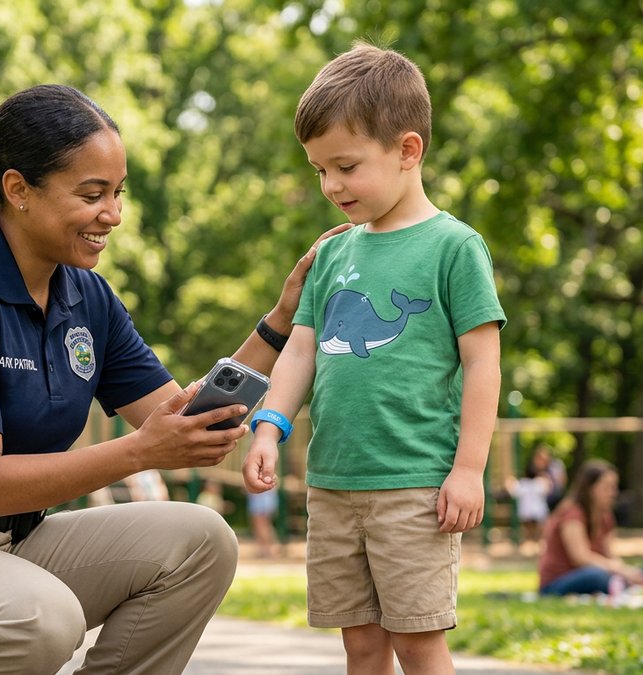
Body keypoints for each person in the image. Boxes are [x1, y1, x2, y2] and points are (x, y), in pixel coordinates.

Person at [0, 83, 349, 674]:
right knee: (42, 619)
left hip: (9, 547)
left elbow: (179, 417)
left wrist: (280, 319)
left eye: (117, 193)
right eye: (92, 194)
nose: (113, 215)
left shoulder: (86, 297)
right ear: (18, 189)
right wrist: (141, 453)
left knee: (202, 540)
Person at [242, 42, 506, 674]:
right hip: (334, 484)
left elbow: (483, 366)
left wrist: (469, 469)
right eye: (319, 171)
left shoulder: (454, 248)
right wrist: (269, 425)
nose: (332, 186)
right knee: (359, 643)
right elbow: (304, 347)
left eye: (346, 166)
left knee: (417, 640)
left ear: (408, 151)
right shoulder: (332, 253)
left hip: (414, 484)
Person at [537, 459, 643, 596]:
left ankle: (621, 584)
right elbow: (581, 558)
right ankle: (620, 585)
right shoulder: (572, 514)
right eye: (607, 487)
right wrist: (618, 570)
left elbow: (609, 554)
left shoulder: (605, 516)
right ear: (590, 488)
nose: (613, 492)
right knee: (596, 576)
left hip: (597, 572)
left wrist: (626, 571)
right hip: (560, 582)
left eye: (614, 487)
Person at [509, 460, 551, 545]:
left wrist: (510, 481)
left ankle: (529, 543)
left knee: (528, 530)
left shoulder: (522, 484)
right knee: (539, 530)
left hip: (526, 511)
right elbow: (547, 490)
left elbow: (513, 491)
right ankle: (537, 542)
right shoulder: (540, 482)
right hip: (538, 511)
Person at [246, 488, 279, 559]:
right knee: (265, 525)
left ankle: (266, 549)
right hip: (265, 498)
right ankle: (267, 548)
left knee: (260, 526)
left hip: (259, 498)